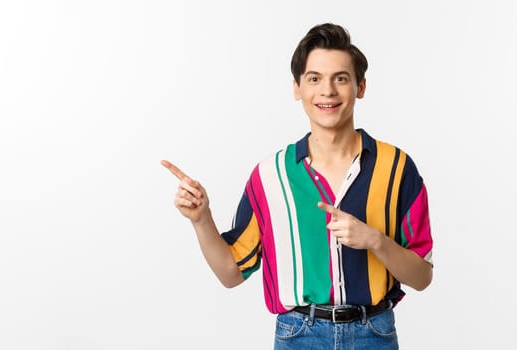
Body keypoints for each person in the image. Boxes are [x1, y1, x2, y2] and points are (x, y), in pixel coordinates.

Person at [161, 22, 433, 349]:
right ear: (297, 88)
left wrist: (375, 240)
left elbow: (422, 276)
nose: (327, 91)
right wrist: (201, 219)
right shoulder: (269, 175)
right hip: (299, 336)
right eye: (314, 79)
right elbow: (231, 273)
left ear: (360, 87)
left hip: (374, 334)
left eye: (341, 78)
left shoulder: (397, 168)